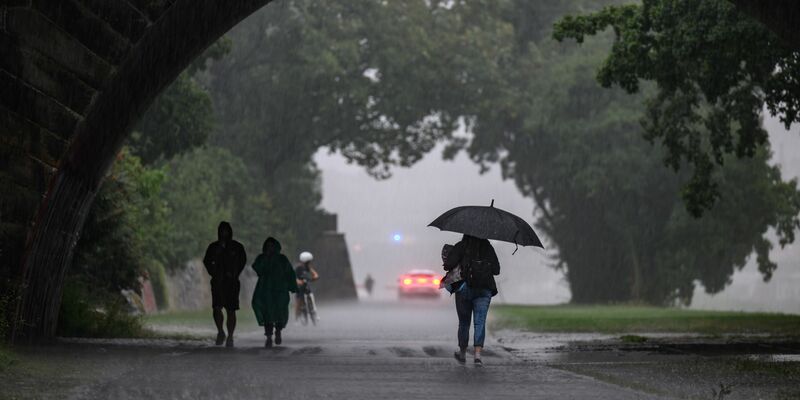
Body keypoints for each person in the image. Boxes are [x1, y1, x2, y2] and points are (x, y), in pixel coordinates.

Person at [442, 234, 500, 366]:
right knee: (480, 322)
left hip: (464, 288)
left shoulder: (461, 246)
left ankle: (462, 353)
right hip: (485, 289)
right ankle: (477, 356)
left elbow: (448, 265)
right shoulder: (488, 248)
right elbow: (496, 270)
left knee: (464, 323)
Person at [202, 221, 247, 347]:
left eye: (226, 230)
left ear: (230, 231)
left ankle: (230, 336)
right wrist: (214, 272)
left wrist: (235, 273)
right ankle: (220, 331)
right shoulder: (213, 247)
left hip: (232, 283)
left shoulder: (237, 247)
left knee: (231, 310)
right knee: (217, 307)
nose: (224, 233)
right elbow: (206, 261)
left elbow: (243, 261)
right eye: (222, 231)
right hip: (217, 282)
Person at [251, 237, 298, 348]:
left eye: (272, 246)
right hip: (265, 290)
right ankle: (268, 336)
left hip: (280, 290)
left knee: (280, 312)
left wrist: (292, 286)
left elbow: (290, 273)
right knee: (267, 313)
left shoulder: (282, 259)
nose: (270, 248)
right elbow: (257, 269)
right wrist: (266, 259)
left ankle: (278, 331)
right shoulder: (262, 258)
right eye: (268, 246)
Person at [294, 251, 320, 321]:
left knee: (311, 295)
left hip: (305, 285)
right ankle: (297, 316)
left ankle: (314, 312)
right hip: (299, 286)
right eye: (307, 262)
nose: (309, 263)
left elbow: (314, 273)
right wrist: (298, 281)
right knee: (299, 300)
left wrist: (315, 276)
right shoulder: (298, 268)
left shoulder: (307, 267)